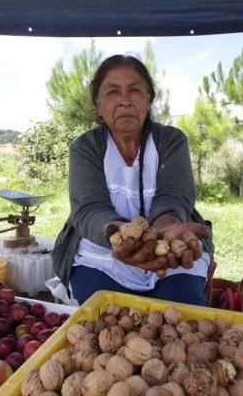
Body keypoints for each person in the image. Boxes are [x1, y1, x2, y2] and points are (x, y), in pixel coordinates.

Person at [51, 54, 214, 306]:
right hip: (101, 252)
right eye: (113, 92)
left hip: (167, 246)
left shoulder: (171, 140)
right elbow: (89, 209)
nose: (125, 101)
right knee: (101, 319)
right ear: (98, 104)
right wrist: (120, 235)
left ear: (149, 100)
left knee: (183, 314)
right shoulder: (85, 147)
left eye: (135, 90)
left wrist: (165, 229)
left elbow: (173, 196)